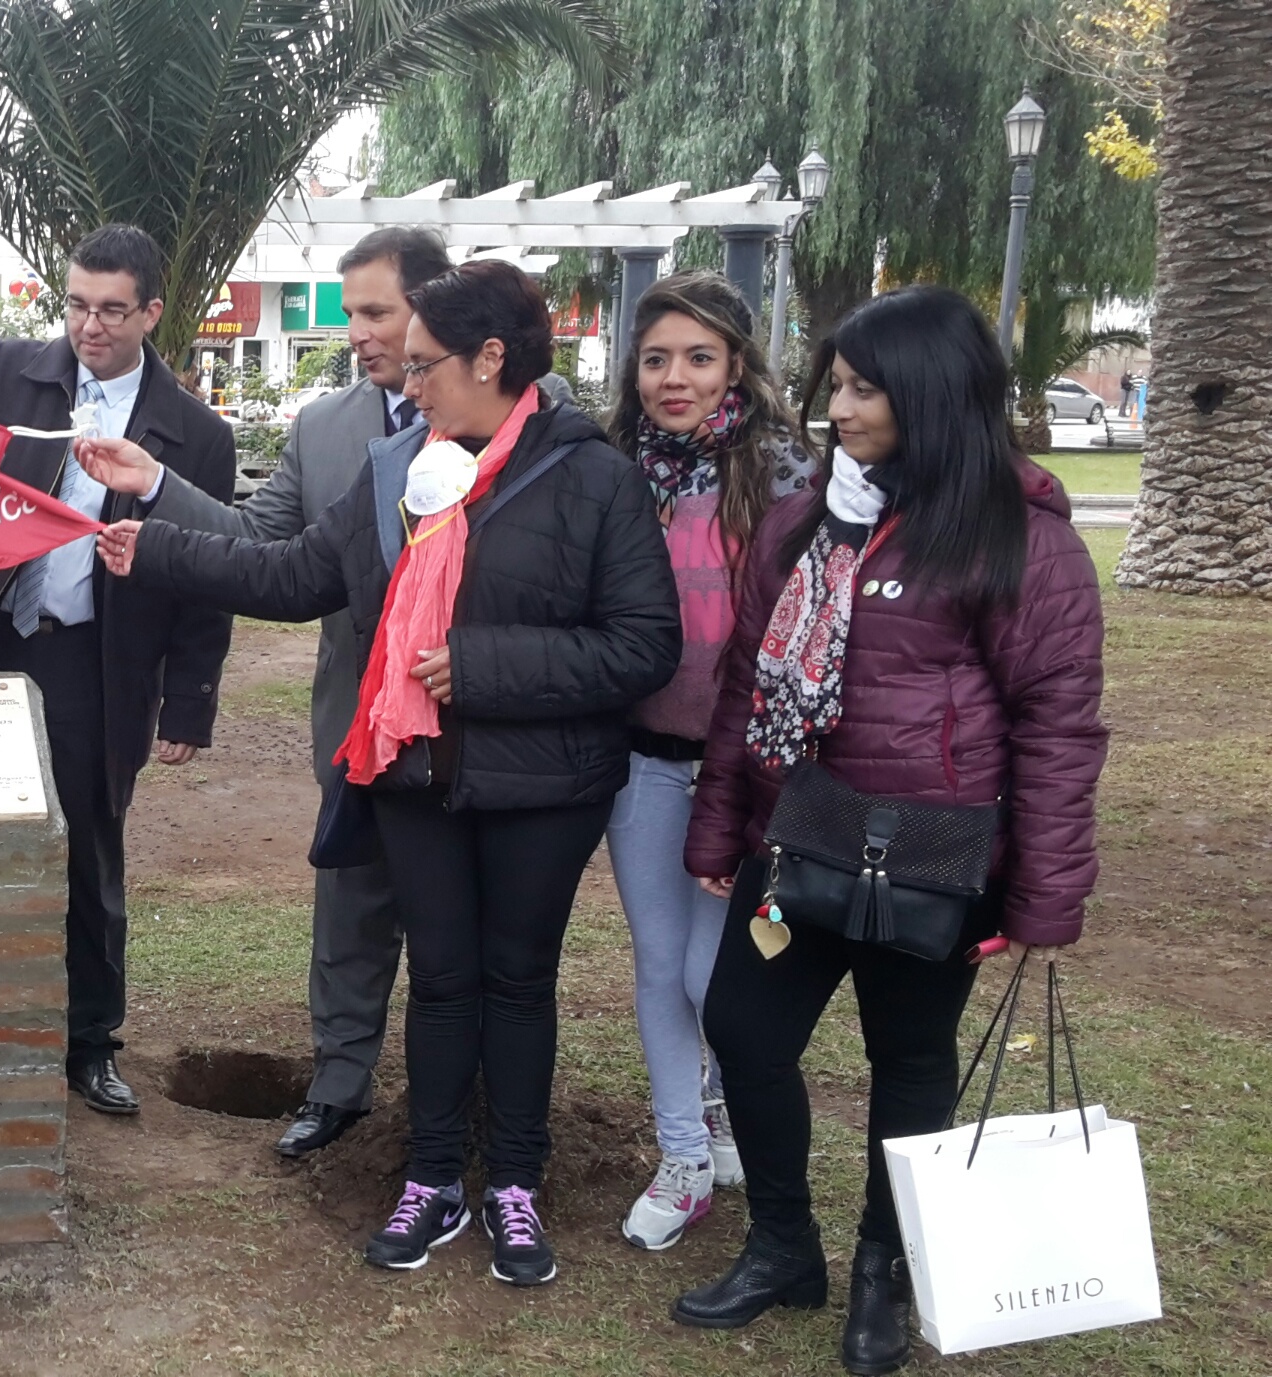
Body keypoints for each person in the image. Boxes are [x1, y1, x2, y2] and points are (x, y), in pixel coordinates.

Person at [99, 260, 679, 1285]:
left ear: (492, 359)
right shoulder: (395, 471)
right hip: (414, 774)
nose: (406, 391)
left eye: (425, 368)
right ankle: (434, 1179)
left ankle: (514, 1187)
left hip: (544, 788)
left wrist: (484, 668)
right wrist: (156, 549)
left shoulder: (594, 477)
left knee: (517, 984)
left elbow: (643, 646)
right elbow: (290, 574)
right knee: (444, 983)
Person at [671, 286, 1105, 1376]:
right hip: (800, 835)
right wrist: (719, 830)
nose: (840, 410)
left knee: (909, 1063)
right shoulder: (802, 521)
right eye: (838, 386)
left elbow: (1058, 724)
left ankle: (883, 1270)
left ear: (931, 395)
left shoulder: (1019, 538)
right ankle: (782, 1247)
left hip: (935, 857)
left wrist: (1043, 895)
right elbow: (744, 689)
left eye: (865, 389)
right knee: (744, 1029)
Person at [76, 226, 446, 1158]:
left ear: (434, 310)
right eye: (350, 309)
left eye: (376, 311)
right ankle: (339, 1081)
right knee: (351, 899)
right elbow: (260, 547)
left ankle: (467, 1105)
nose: (355, 331)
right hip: (358, 721)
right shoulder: (325, 430)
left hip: (484, 724)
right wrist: (155, 484)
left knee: (465, 925)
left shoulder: (527, 412)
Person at [0, 223, 237, 1117]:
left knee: (84, 855)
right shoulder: (7, 374)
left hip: (96, 661)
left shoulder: (193, 432)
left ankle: (89, 1041)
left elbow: (209, 579)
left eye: (112, 310)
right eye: (76, 304)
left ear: (152, 311)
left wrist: (188, 702)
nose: (90, 326)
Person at [602, 272, 817, 1251]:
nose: (673, 378)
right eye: (655, 359)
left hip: (745, 769)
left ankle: (725, 1097)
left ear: (737, 363)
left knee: (709, 977)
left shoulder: (784, 477)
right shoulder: (613, 467)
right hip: (643, 760)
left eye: (697, 357)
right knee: (660, 965)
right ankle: (684, 1151)